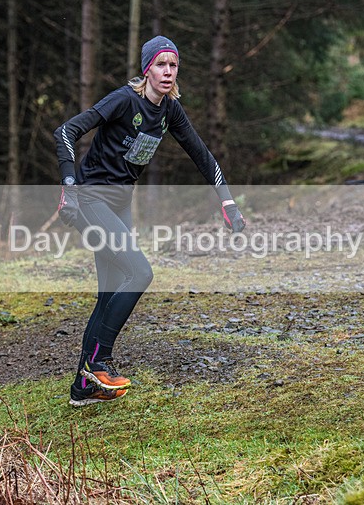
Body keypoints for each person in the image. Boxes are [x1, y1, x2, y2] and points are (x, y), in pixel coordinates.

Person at [53, 36, 246, 406]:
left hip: (120, 206)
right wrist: (69, 185)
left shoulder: (170, 110)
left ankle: (83, 387)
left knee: (109, 293)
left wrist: (229, 202)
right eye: (161, 65)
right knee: (140, 273)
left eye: (173, 66)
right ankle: (99, 361)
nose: (168, 72)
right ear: (147, 69)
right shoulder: (124, 100)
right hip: (92, 200)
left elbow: (204, 157)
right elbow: (65, 131)